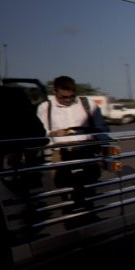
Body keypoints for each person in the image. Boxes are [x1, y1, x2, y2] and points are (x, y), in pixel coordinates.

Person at [37, 75, 110, 207]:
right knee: (64, 187)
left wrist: (104, 145)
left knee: (88, 188)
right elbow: (41, 134)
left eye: (71, 96)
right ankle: (69, 214)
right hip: (61, 153)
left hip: (86, 151)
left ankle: (89, 216)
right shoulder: (45, 108)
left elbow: (101, 128)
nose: (68, 100)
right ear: (55, 92)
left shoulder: (88, 104)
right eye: (63, 97)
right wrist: (53, 134)